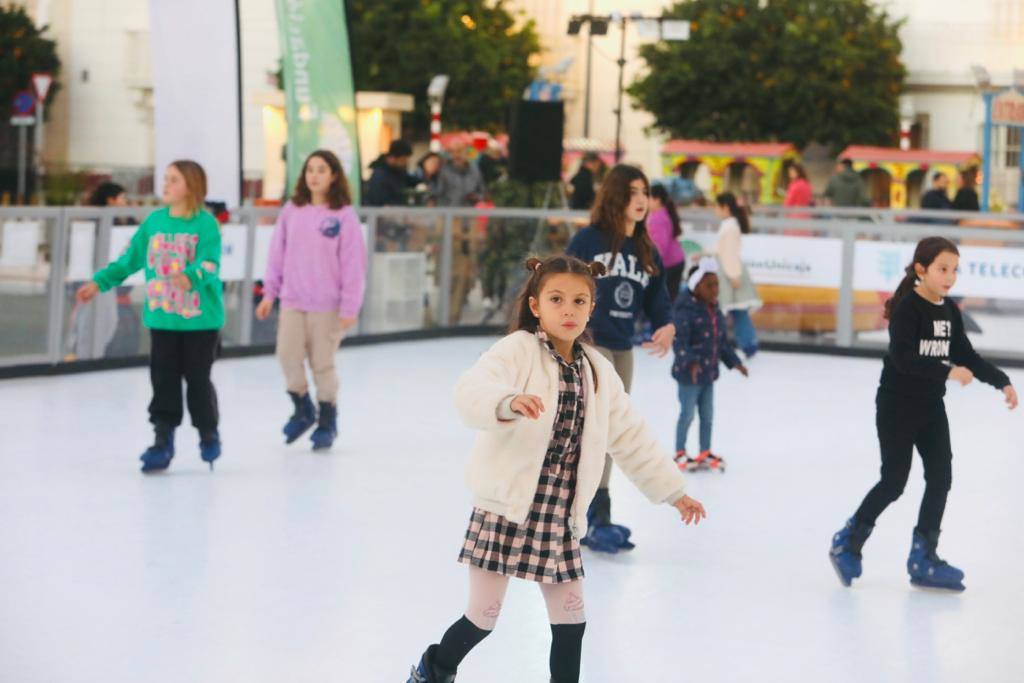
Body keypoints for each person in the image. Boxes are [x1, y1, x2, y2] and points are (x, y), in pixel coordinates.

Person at [405, 255, 706, 683]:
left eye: (580, 301)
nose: (569, 310)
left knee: (571, 620)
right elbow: (472, 389)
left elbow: (631, 436)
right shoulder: (518, 351)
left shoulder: (597, 372)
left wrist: (673, 492)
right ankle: (433, 670)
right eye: (557, 299)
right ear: (535, 305)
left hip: (559, 517)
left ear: (591, 307)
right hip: (506, 508)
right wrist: (507, 403)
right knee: (483, 617)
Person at [829, 237, 1017, 591]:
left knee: (940, 478)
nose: (950, 276)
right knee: (894, 481)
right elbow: (903, 359)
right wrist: (947, 371)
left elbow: (967, 356)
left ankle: (923, 557)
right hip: (896, 406)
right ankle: (847, 541)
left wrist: (1002, 382)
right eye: (943, 269)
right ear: (922, 270)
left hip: (931, 407)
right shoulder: (908, 309)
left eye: (954, 270)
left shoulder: (949, 311)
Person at [75, 161, 225, 473]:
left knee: (198, 380)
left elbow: (210, 264)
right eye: (166, 179)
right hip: (163, 320)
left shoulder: (205, 225)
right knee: (163, 381)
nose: (166, 185)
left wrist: (191, 275)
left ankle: (208, 432)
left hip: (200, 322)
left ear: (192, 186)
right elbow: (130, 260)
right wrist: (99, 282)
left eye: (174, 180)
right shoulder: (154, 222)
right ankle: (162, 439)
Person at [565, 164, 676, 554]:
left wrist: (666, 324)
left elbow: (658, 297)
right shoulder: (588, 240)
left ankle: (598, 514)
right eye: (632, 192)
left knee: (610, 429)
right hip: (589, 344)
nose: (641, 199)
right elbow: (560, 285)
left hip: (623, 347)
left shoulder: (646, 249)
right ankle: (580, 514)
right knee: (592, 428)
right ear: (615, 196)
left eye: (644, 191)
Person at [255, 150, 367, 451]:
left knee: (322, 364)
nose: (314, 175)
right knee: (287, 356)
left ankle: (327, 420)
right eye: (309, 170)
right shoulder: (292, 210)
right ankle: (302, 406)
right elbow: (276, 255)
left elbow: (353, 265)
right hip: (293, 301)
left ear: (333, 176)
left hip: (328, 306)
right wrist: (269, 293)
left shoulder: (343, 216)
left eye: (321, 170)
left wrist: (349, 306)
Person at [671, 258, 749, 472]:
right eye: (709, 286)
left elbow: (721, 342)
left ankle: (705, 451)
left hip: (709, 374)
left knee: (707, 415)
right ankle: (679, 452)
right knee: (687, 414)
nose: (715, 290)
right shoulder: (684, 310)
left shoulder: (713, 309)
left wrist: (735, 363)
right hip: (689, 376)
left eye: (717, 285)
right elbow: (679, 342)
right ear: (696, 287)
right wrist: (691, 362)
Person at [437, 140, 487, 325]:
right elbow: (438, 196)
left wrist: (476, 197)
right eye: (453, 151)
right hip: (451, 222)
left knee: (467, 267)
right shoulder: (445, 171)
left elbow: (482, 192)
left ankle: (457, 308)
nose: (457, 155)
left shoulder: (474, 170)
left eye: (460, 151)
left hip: (469, 221)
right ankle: (448, 313)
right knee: (450, 268)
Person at [711, 192, 761, 358]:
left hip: (730, 274)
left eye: (716, 206)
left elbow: (730, 254)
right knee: (736, 311)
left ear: (725, 207)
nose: (715, 210)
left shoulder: (731, 227)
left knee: (737, 311)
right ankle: (746, 344)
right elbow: (722, 250)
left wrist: (734, 276)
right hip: (727, 272)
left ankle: (747, 344)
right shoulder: (728, 225)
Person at [647, 183, 686, 301]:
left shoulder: (657, 218)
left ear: (657, 200)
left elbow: (660, 248)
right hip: (675, 261)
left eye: (648, 197)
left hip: (670, 265)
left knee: (664, 301)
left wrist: (651, 267)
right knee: (668, 300)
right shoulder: (662, 213)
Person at [364, 140, 416, 207]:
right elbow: (379, 202)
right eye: (403, 160)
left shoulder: (399, 172)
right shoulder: (379, 176)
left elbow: (412, 181)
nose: (405, 163)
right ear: (392, 158)